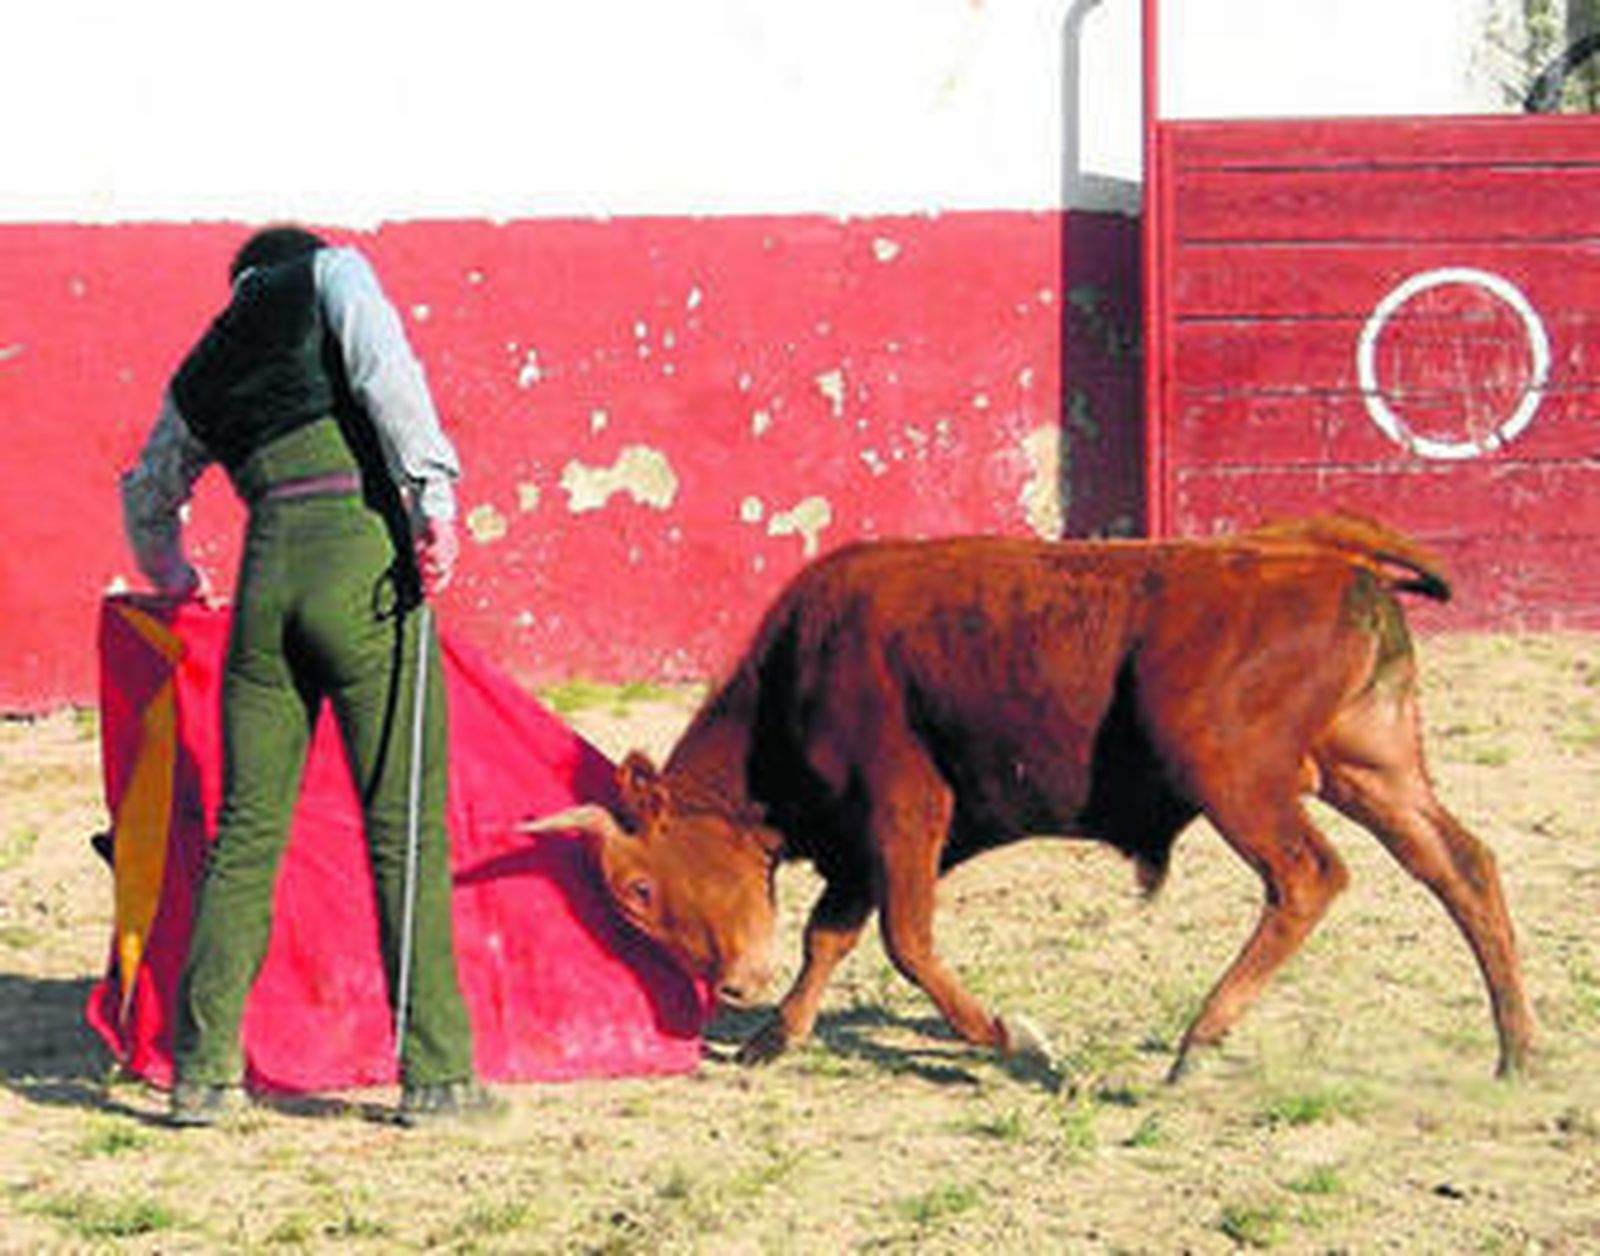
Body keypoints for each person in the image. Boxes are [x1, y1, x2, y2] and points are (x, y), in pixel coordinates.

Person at [121, 225, 497, 1127]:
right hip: (360, 559)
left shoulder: (208, 359)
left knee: (246, 831)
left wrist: (175, 577)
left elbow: (148, 489)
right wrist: (432, 498)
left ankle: (202, 1073)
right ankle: (439, 1074)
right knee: (402, 824)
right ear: (297, 258)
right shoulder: (331, 274)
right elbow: (385, 375)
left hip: (266, 580)